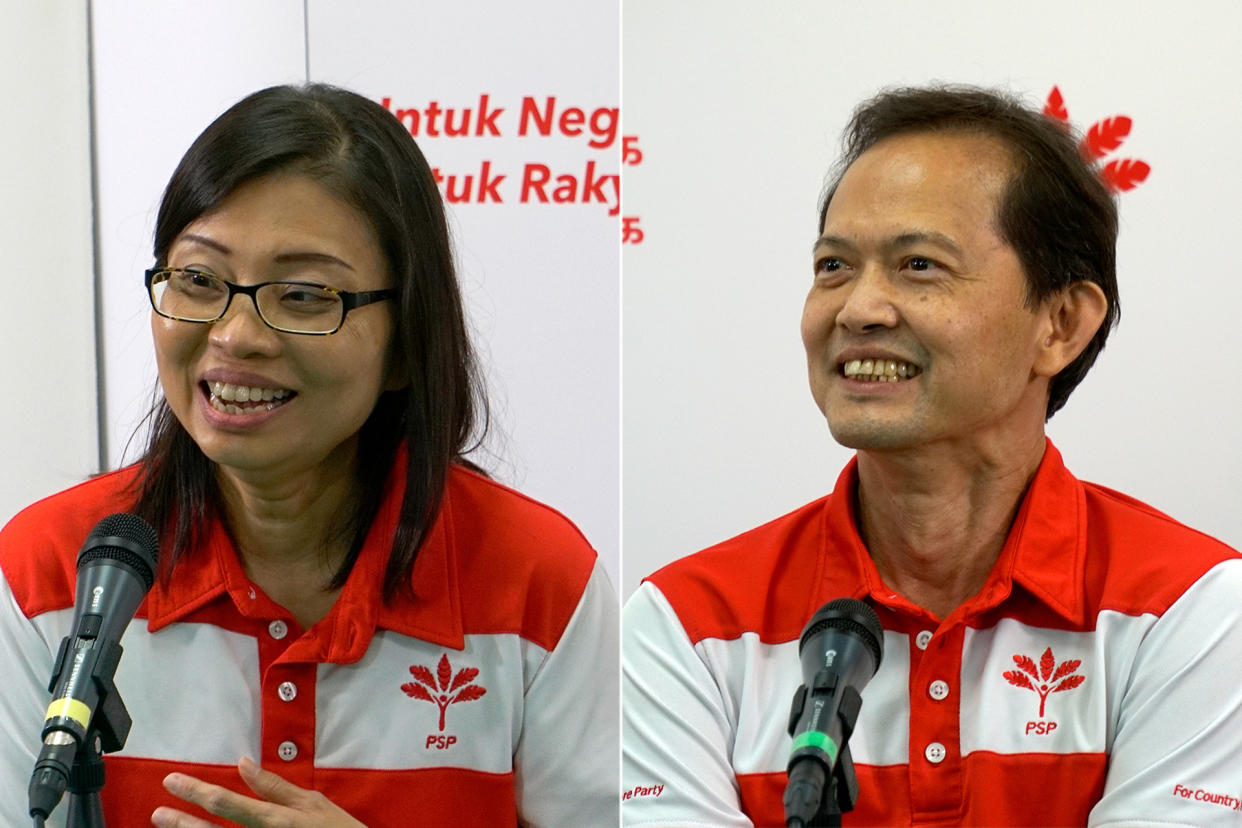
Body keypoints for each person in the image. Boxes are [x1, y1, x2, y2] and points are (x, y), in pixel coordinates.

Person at [621, 86, 1242, 827]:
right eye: (833, 268)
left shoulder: (1191, 608)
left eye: (918, 265)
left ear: (1061, 323)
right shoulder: (686, 625)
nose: (858, 309)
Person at [0, 83, 618, 827]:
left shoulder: (537, 580)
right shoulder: (48, 569)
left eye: (302, 294)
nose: (235, 335)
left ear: (404, 343)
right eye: (198, 280)